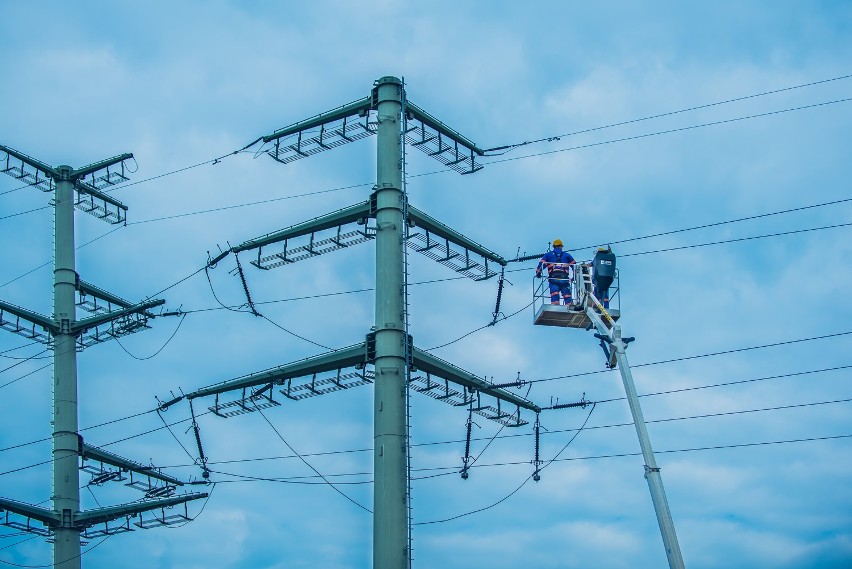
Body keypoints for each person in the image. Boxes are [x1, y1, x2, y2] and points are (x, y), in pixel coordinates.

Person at [536, 239, 576, 306]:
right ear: (561, 246)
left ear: (554, 246)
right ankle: (569, 305)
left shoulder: (548, 255)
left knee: (555, 299)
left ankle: (555, 305)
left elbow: (541, 265)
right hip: (564, 280)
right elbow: (575, 266)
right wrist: (574, 277)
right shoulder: (567, 255)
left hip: (553, 279)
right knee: (567, 298)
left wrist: (538, 274)